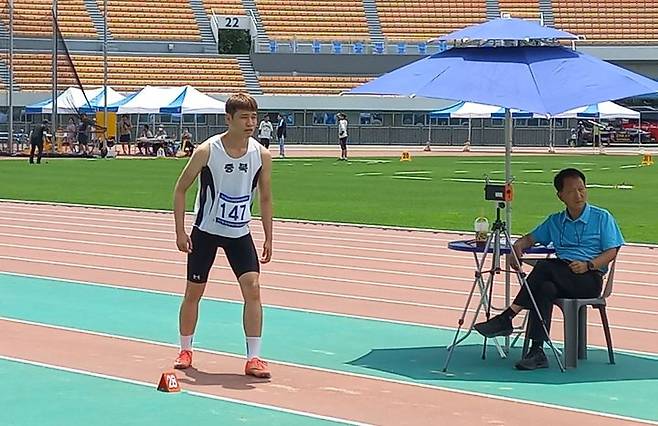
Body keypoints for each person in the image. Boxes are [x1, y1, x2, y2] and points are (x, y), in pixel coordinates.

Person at [474, 168, 624, 370]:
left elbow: (612, 250)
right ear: (560, 196)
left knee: (544, 266)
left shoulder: (602, 217)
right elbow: (530, 238)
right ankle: (537, 351)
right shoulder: (555, 221)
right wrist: (517, 246)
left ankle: (508, 316)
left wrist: (589, 264)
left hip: (589, 278)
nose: (578, 195)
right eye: (571, 191)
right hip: (562, 276)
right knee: (545, 288)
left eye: (581, 189)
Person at [172, 93, 273, 379]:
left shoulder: (261, 155)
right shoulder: (207, 151)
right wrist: (180, 231)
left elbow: (265, 198)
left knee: (253, 289)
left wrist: (268, 236)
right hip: (205, 232)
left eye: (254, 117)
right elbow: (180, 189)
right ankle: (185, 349)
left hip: (239, 233)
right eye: (244, 118)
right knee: (194, 293)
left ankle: (254, 358)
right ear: (228, 119)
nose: (250, 123)